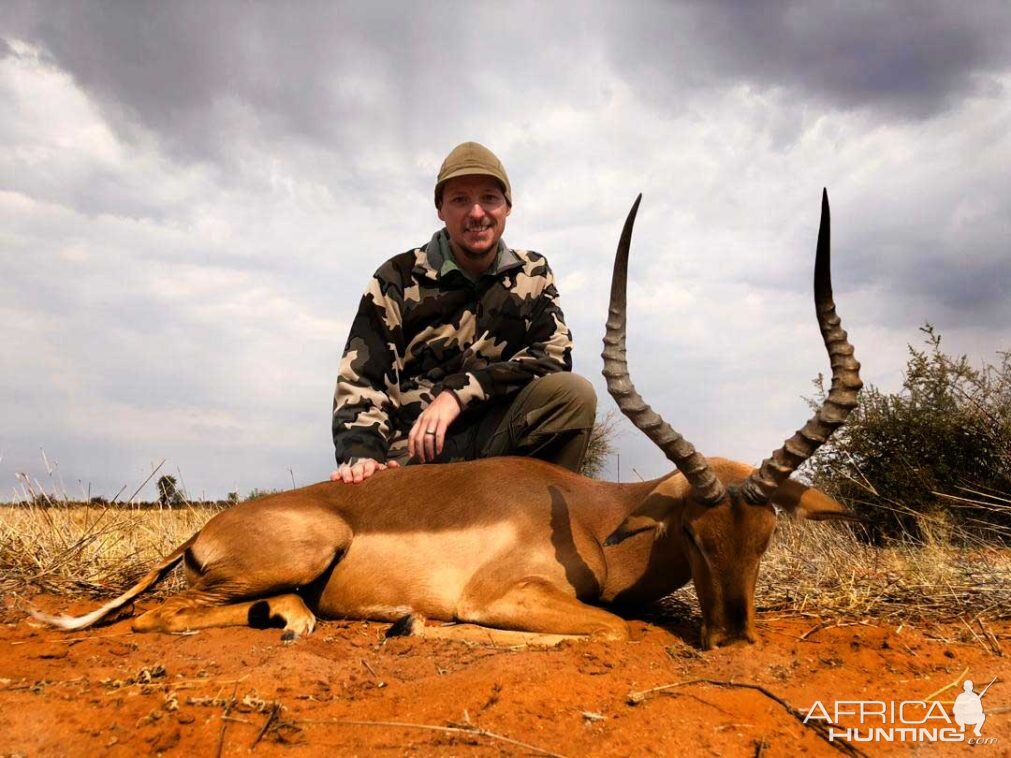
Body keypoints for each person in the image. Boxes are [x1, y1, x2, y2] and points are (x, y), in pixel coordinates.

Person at [331, 141, 596, 484]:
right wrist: (362, 454)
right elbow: (362, 378)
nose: (476, 213)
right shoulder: (395, 277)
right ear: (440, 209)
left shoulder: (533, 272)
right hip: (417, 454)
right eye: (460, 200)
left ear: (507, 207)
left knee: (574, 396)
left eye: (489, 198)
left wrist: (459, 393)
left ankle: (537, 524)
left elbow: (554, 356)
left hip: (499, 438)